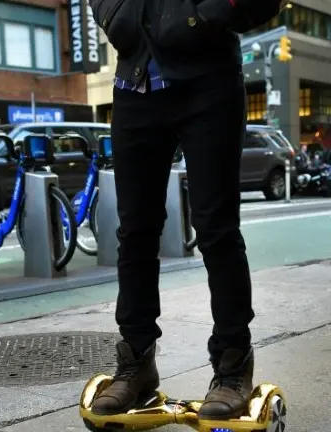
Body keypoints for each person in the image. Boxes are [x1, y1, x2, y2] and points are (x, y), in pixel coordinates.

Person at [87, 0, 287, 420]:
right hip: (134, 84)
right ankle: (137, 362)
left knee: (216, 227)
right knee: (136, 230)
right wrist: (114, 14)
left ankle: (232, 366)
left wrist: (205, 13)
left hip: (208, 81)